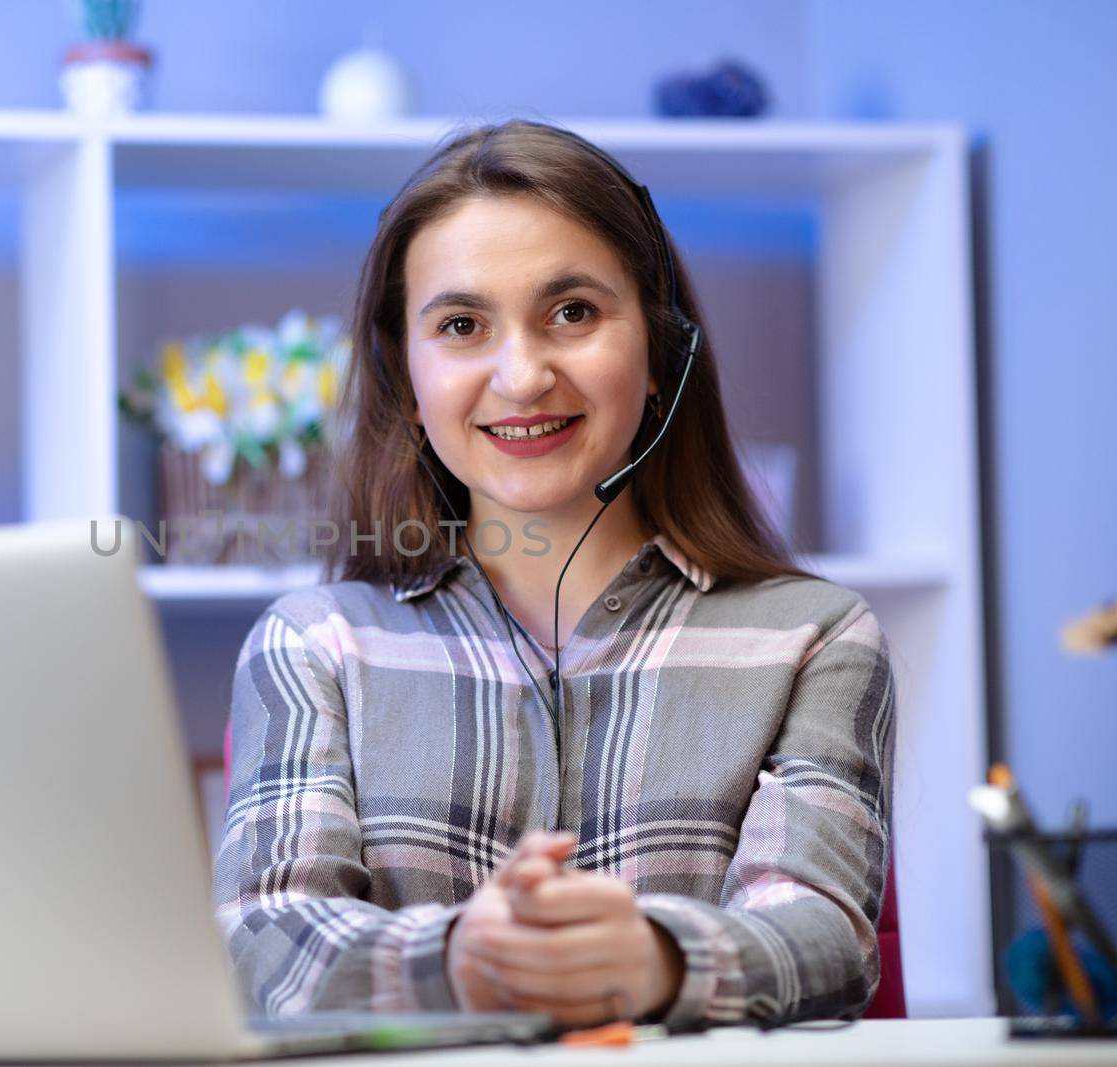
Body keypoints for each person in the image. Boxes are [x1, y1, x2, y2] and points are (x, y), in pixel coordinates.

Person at [210, 118, 896, 1033]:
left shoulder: (816, 636)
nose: (523, 375)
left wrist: (651, 957)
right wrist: (462, 957)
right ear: (407, 381)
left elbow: (823, 936)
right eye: (462, 325)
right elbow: (268, 935)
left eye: (572, 312)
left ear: (660, 349)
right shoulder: (315, 643)